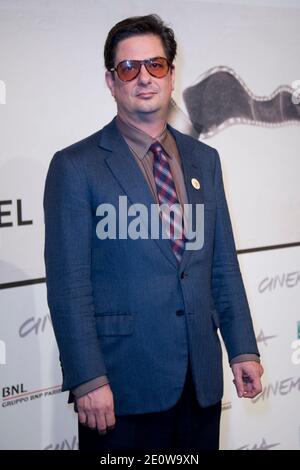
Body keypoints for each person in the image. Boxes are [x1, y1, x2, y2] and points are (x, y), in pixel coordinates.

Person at [43, 14, 263, 451]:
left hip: (199, 382)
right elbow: (69, 286)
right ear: (111, 81)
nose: (144, 78)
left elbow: (222, 266)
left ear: (171, 74)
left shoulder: (205, 160)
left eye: (156, 65)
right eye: (129, 68)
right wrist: (88, 377)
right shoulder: (75, 166)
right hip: (121, 388)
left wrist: (242, 349)